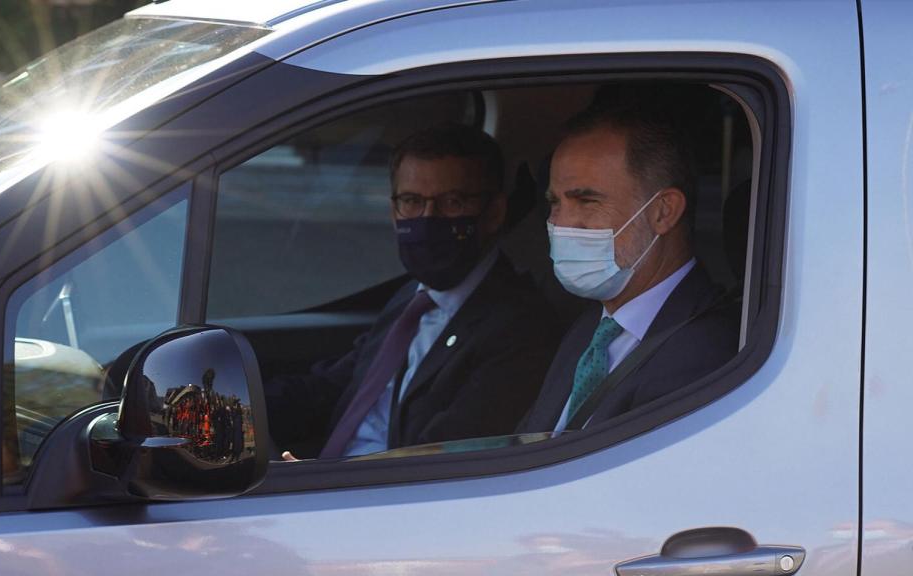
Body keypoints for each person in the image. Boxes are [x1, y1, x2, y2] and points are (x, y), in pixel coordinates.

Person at [266, 123, 562, 459]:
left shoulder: (519, 330)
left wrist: (315, 481)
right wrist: (236, 409)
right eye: (411, 201)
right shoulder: (413, 298)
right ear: (394, 212)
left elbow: (437, 461)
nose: (428, 219)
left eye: (452, 202)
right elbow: (337, 385)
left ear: (494, 213)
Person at [518, 102, 740, 433]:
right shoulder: (590, 329)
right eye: (555, 202)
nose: (560, 222)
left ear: (663, 212)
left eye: (587, 201)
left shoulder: (705, 352)